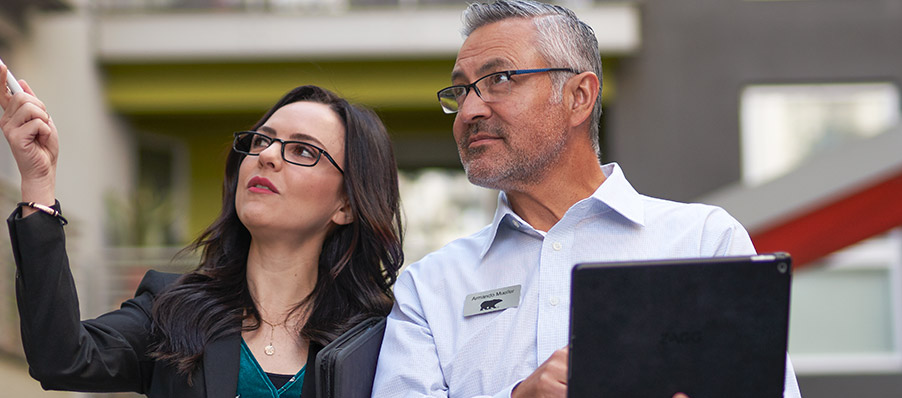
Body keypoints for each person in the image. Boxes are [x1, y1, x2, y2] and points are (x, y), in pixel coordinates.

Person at [370, 1, 801, 397]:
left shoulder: (706, 243)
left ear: (578, 97)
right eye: (461, 91)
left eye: (498, 80)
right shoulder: (428, 288)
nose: (469, 112)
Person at [1, 77, 404, 398]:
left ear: (346, 206)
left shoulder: (379, 336)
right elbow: (62, 359)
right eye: (262, 140)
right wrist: (38, 183)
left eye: (302, 151)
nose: (266, 155)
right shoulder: (173, 309)